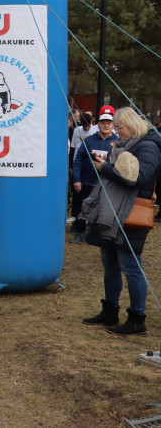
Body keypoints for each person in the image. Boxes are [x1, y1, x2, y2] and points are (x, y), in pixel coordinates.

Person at [79, 107, 161, 336]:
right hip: (113, 210)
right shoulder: (130, 145)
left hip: (131, 213)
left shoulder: (148, 147)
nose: (116, 132)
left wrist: (105, 168)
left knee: (131, 266)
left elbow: (139, 178)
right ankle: (110, 310)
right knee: (110, 263)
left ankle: (137, 319)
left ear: (131, 125)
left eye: (119, 127)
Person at [70, 106, 118, 244]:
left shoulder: (118, 142)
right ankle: (79, 231)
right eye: (103, 123)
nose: (106, 125)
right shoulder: (89, 140)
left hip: (106, 183)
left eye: (109, 123)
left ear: (112, 125)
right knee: (82, 206)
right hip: (86, 181)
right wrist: (77, 179)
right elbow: (78, 160)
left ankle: (97, 234)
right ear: (98, 124)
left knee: (103, 209)